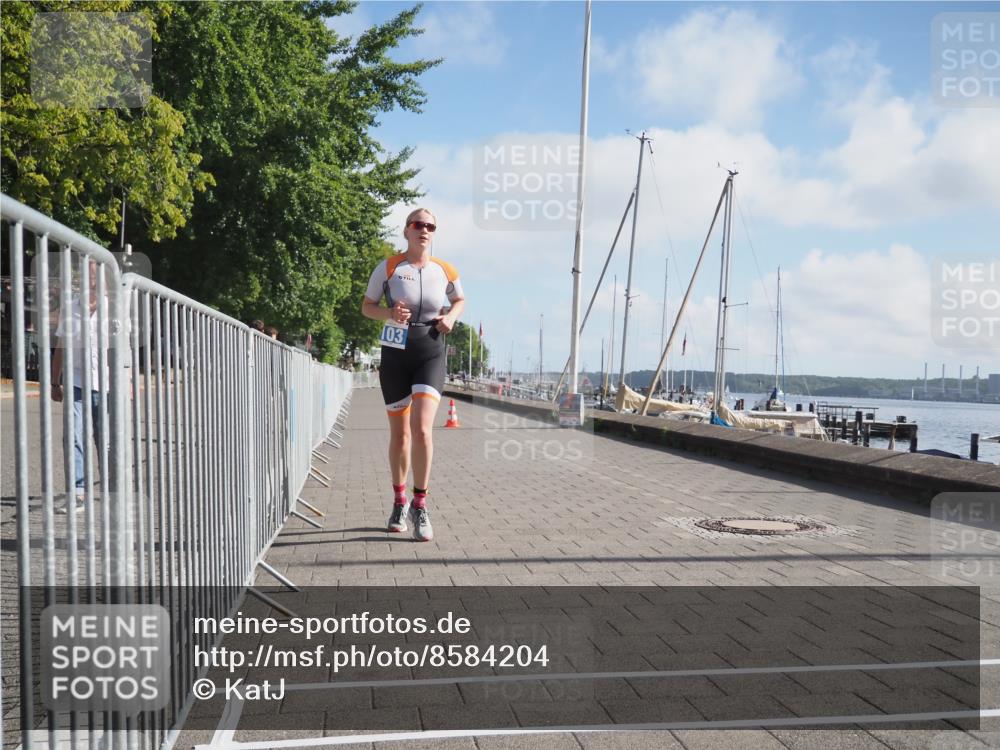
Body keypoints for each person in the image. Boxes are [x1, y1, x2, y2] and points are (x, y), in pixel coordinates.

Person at [361, 208, 465, 541]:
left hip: (430, 348)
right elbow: (366, 306)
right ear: (406, 230)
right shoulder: (389, 267)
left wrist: (452, 317)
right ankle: (399, 500)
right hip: (395, 352)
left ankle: (420, 505)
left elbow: (460, 299)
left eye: (430, 226)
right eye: (418, 224)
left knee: (422, 430)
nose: (424, 230)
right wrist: (389, 312)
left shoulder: (445, 269)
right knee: (401, 435)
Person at [51, 260, 109, 513]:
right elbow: (61, 347)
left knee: (104, 439)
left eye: (93, 276)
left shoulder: (111, 309)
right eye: (85, 276)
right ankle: (78, 493)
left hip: (104, 383)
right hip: (75, 381)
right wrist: (55, 381)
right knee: (74, 436)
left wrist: (126, 382)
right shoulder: (70, 308)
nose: (89, 280)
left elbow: (123, 352)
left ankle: (109, 488)